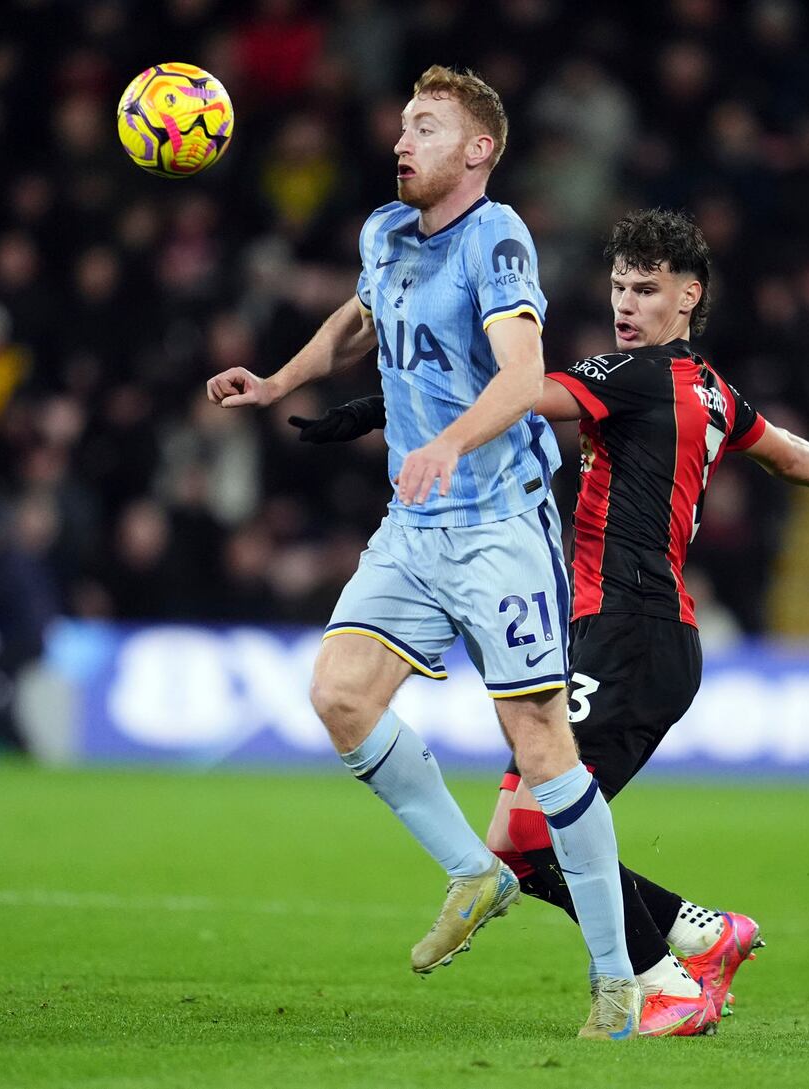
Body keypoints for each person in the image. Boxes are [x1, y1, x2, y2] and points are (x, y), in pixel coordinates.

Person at [293, 209, 809, 1035]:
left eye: (648, 288)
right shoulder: (713, 388)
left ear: (689, 295)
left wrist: (379, 405)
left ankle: (668, 975)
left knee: (526, 834)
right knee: (526, 835)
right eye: (621, 286)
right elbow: (784, 450)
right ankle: (695, 934)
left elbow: (519, 394)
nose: (627, 303)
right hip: (635, 632)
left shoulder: (629, 374)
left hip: (631, 628)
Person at [206, 66, 639, 1040]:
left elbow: (524, 376)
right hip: (415, 526)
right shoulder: (384, 232)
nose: (403, 141)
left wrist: (445, 443)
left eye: (428, 127)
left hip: (498, 522)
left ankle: (617, 981)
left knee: (539, 750)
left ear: (478, 150)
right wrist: (279, 381)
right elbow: (362, 317)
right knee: (339, 696)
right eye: (404, 124)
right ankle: (472, 871)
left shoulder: (496, 240)